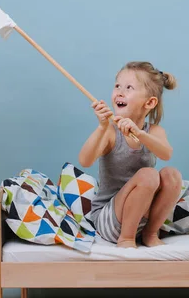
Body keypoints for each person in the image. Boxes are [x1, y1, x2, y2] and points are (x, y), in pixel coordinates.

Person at [78, 61, 182, 248]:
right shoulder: (110, 132)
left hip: (142, 218)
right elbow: (85, 161)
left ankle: (150, 234)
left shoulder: (154, 131)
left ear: (149, 102)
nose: (119, 92)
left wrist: (140, 134)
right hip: (110, 218)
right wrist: (101, 127)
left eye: (129, 88)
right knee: (148, 175)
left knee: (172, 175)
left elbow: (166, 154)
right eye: (117, 86)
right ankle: (126, 239)